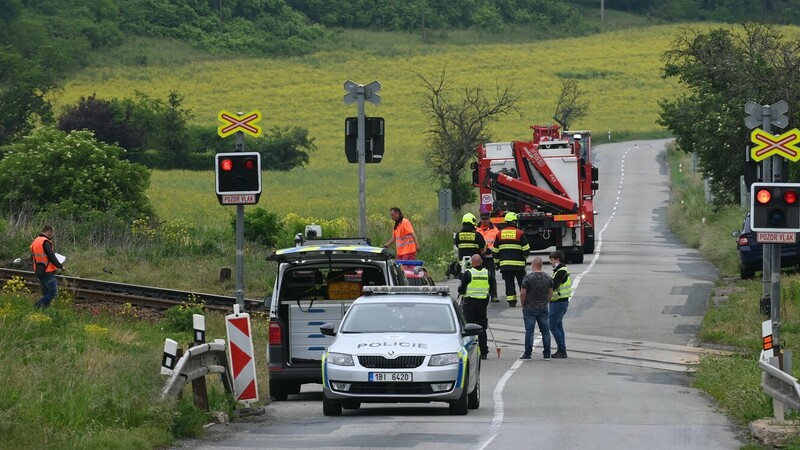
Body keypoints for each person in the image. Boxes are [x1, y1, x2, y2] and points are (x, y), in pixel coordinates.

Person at [519, 257, 552, 361]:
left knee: (529, 331)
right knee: (545, 331)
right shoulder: (547, 277)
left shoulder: (528, 278)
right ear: (541, 265)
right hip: (543, 307)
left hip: (530, 308)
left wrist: (523, 305)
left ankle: (528, 354)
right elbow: (550, 292)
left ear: (533, 265)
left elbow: (522, 293)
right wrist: (546, 301)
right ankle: (547, 354)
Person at [458, 254, 490, 360]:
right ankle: (484, 352)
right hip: (482, 304)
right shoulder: (487, 273)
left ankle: (468, 351)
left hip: (470, 304)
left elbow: (461, 289)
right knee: (482, 328)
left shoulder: (469, 273)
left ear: (472, 263)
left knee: (469, 328)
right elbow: (492, 286)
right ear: (481, 262)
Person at [495, 211, 530, 307]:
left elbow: (495, 251)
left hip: (505, 266)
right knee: (522, 283)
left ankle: (511, 302)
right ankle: (525, 301)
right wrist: (524, 258)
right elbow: (526, 250)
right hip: (519, 265)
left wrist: (497, 263)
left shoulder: (499, 234)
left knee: (509, 283)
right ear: (514, 222)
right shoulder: (520, 233)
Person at [30, 225, 64, 309]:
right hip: (47, 270)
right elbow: (51, 256)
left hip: (39, 270)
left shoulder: (35, 241)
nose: (53, 235)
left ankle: (45, 310)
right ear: (49, 231)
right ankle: (36, 306)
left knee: (46, 292)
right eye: (52, 232)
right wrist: (60, 266)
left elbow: (32, 257)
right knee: (53, 292)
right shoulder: (45, 241)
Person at [549, 250, 572, 358]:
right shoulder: (560, 270)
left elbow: (553, 286)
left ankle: (562, 350)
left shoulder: (561, 271)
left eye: (552, 260)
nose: (551, 262)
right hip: (561, 302)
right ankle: (562, 348)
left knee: (552, 326)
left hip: (558, 302)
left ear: (557, 260)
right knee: (558, 326)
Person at [476, 212, 500, 302]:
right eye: (483, 219)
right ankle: (480, 294)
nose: (485, 221)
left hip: (490, 256)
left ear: (489, 219)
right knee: (478, 276)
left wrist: (490, 249)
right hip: (479, 258)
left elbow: (497, 243)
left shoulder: (495, 230)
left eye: (486, 219)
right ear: (480, 219)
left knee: (491, 276)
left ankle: (493, 295)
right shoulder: (476, 230)